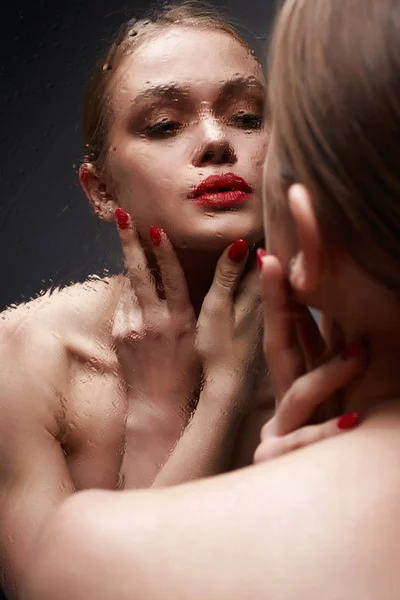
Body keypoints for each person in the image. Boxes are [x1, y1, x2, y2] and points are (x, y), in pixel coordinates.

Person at [20, 0, 400, 598]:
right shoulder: (24, 359)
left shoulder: (347, 357)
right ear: (98, 189)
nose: (218, 141)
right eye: (165, 125)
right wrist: (184, 405)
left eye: (249, 116)